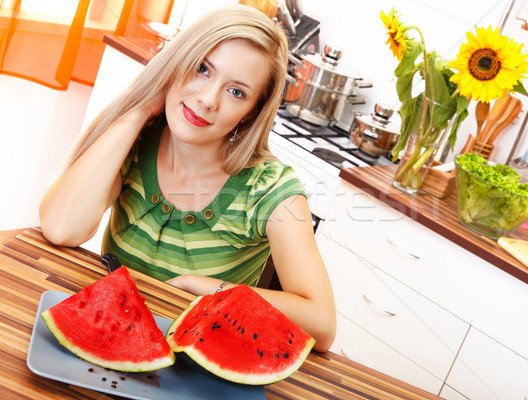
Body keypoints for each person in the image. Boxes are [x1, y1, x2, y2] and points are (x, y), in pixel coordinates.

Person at [39, 5, 336, 352]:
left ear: (252, 111)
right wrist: (138, 111)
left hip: (199, 355)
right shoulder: (137, 143)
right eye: (202, 68)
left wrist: (206, 286)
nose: (208, 99)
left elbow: (322, 324)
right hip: (109, 336)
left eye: (236, 92)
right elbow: (61, 229)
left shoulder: (269, 188)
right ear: (179, 60)